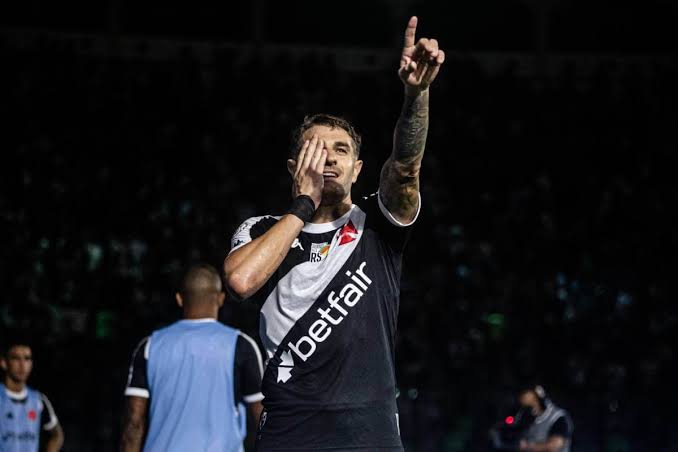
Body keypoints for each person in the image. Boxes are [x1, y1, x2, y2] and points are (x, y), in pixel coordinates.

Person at [224, 16, 444, 451]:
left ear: (357, 169)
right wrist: (303, 205)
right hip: (289, 432)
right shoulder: (262, 229)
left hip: (369, 435)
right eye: (316, 149)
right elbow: (240, 281)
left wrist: (416, 95)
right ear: (294, 167)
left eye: (340, 151)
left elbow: (405, 168)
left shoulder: (376, 224)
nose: (328, 159)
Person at [120, 263, 264, 452]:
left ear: (179, 299)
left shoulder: (150, 346)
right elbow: (262, 418)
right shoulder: (241, 345)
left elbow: (134, 421)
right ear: (220, 299)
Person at [0, 339, 64, 452]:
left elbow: (57, 435)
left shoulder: (38, 400)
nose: (22, 365)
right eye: (16, 358)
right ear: (4, 363)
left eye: (27, 358)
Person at [517, 385, 573, 452]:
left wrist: (528, 447)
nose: (531, 407)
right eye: (526, 405)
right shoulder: (530, 420)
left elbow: (554, 445)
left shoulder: (558, 417)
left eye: (533, 402)